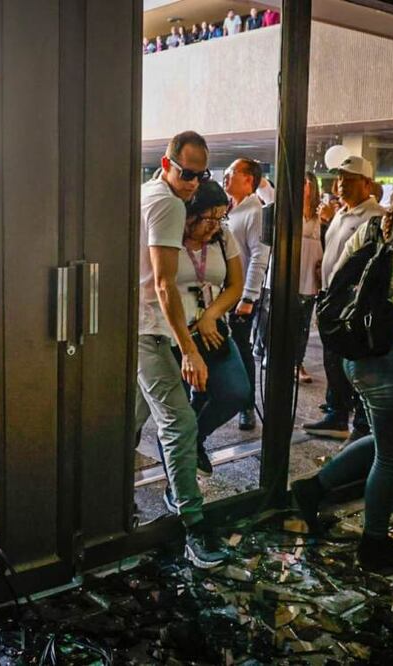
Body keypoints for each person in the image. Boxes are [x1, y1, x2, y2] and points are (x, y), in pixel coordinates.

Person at [292, 158, 393, 574]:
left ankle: (312, 489)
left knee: (386, 440)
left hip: (357, 356)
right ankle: (375, 544)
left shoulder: (373, 227)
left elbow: (338, 280)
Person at [137, 131, 228, 568]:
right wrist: (189, 349)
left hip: (140, 324)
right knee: (179, 420)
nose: (192, 183)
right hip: (148, 328)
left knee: (133, 417)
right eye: (186, 173)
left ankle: (100, 505)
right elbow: (162, 284)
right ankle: (193, 521)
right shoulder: (168, 203)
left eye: (200, 174)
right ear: (167, 162)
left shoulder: (148, 192)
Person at [168, 180, 248, 478]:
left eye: (220, 217)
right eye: (209, 218)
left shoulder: (224, 237)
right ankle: (182, 472)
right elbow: (161, 286)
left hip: (212, 332)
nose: (215, 225)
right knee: (174, 414)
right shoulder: (168, 235)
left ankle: (194, 440)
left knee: (236, 392)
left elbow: (235, 284)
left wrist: (211, 315)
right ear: (190, 214)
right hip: (174, 335)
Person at [302, 155, 382, 441]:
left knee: (349, 361)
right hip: (330, 296)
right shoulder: (341, 213)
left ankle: (358, 421)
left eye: (349, 181)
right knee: (331, 358)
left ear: (367, 183)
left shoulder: (375, 217)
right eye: (339, 180)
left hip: (351, 303)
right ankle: (336, 414)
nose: (341, 185)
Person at [223, 158, 269, 431]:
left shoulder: (256, 211)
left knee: (242, 349)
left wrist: (249, 297)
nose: (226, 176)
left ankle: (247, 406)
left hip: (241, 296)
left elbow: (258, 257)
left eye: (232, 172)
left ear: (249, 179)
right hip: (221, 291)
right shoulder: (229, 209)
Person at [296, 173, 325, 383]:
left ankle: (298, 362)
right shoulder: (291, 209)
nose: (304, 186)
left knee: (304, 321)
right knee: (289, 319)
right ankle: (283, 359)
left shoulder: (320, 212)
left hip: (312, 268)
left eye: (307, 182)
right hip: (295, 266)